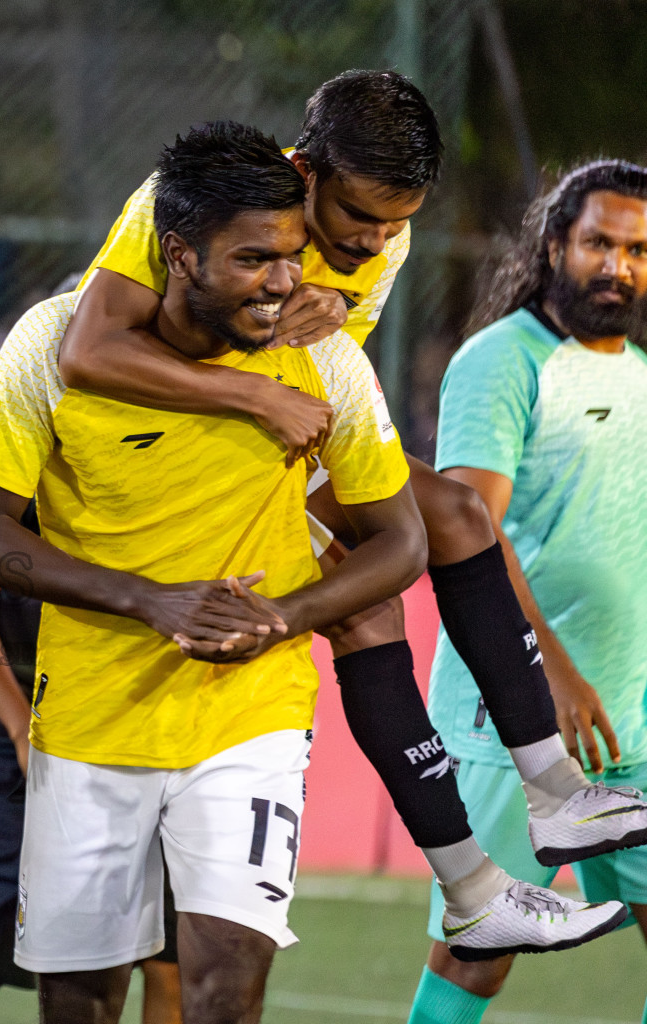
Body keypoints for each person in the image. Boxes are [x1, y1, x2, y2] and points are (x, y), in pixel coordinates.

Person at [0, 121, 626, 1024]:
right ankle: (474, 883)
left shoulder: (338, 311)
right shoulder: (75, 320)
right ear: (180, 255)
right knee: (78, 997)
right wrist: (252, 399)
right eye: (259, 259)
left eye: (298, 258)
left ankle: (522, 827)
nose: (296, 278)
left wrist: (284, 615)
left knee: (224, 982)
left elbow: (399, 539)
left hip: (247, 719)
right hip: (91, 712)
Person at [57, 68, 647, 915]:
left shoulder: (380, 239)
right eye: (359, 218)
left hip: (260, 439)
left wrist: (322, 334)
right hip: (138, 449)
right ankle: (478, 890)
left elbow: (320, 388)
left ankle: (550, 794)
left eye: (396, 222)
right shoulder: (198, 202)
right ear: (305, 173)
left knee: (450, 516)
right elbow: (89, 351)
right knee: (366, 602)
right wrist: (256, 392)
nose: (376, 242)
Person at [406, 161, 647, 1023]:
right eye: (599, 244)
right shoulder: (502, 361)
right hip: (520, 717)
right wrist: (551, 672)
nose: (618, 265)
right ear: (554, 246)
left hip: (632, 719)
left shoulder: (640, 373)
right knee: (480, 957)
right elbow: (468, 531)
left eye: (637, 250)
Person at [0, 484, 182, 1024]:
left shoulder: (155, 482)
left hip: (141, 734)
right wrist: (22, 729)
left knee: (170, 956)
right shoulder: (11, 482)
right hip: (18, 731)